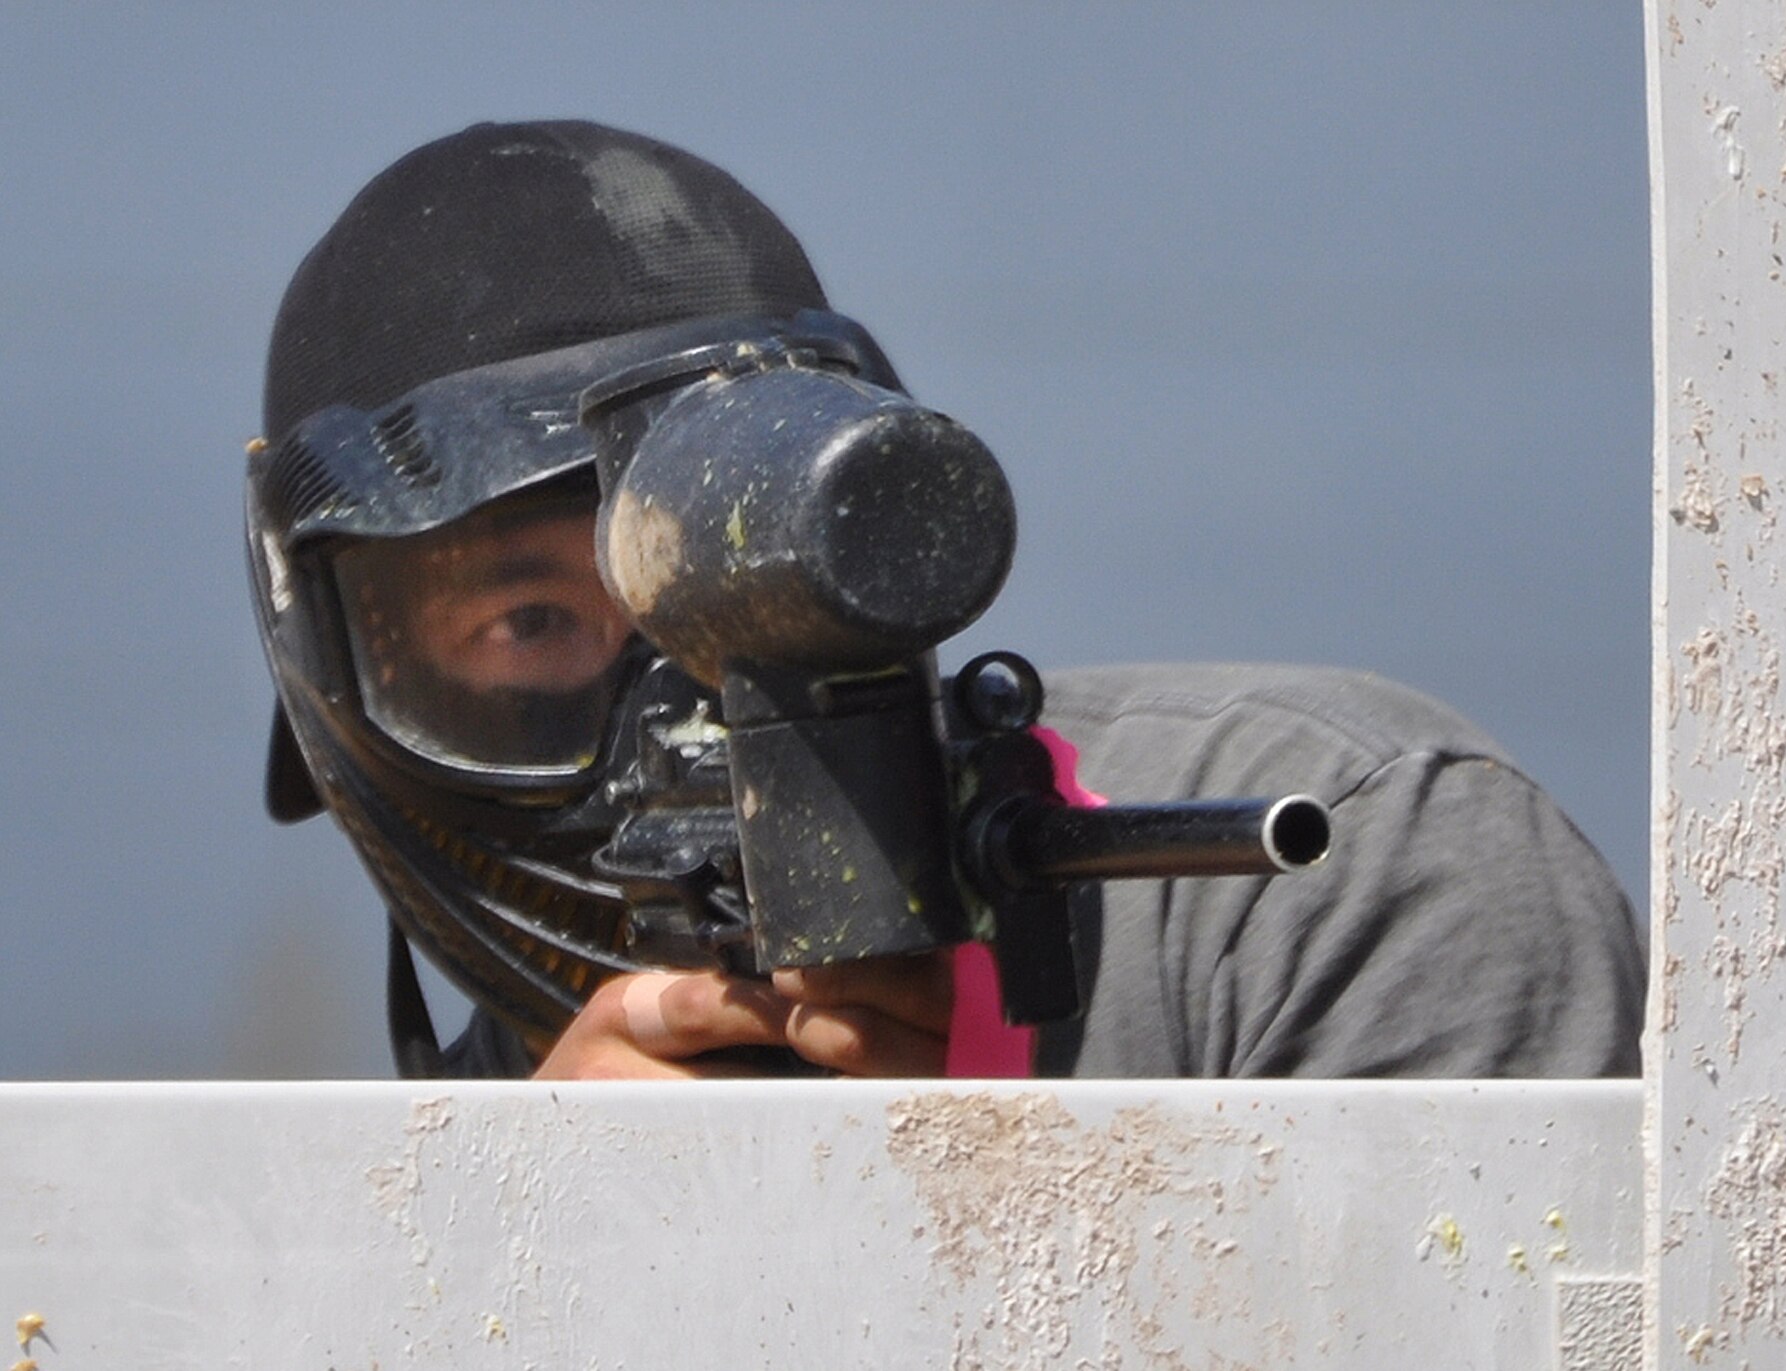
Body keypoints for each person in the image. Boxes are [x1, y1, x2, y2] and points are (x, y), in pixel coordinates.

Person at [248, 119, 1644, 1081]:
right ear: (338, 684)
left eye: (719, 592)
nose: (668, 712)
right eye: (531, 622)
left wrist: (973, 1208)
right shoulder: (467, 1197)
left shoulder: (1336, 878)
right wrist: (556, 1281)